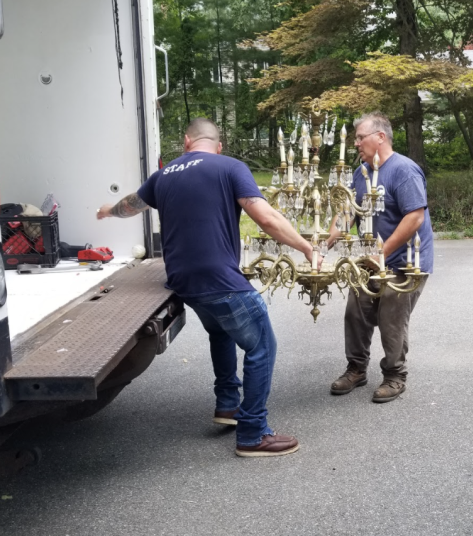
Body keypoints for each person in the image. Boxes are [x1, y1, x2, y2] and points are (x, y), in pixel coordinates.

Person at [97, 118, 315, 457]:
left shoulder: (163, 175)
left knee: (222, 333)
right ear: (219, 145)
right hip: (220, 281)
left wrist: (107, 211)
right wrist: (305, 246)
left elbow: (131, 204)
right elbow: (266, 217)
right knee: (262, 347)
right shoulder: (230, 167)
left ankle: (228, 404)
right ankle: (253, 433)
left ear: (186, 141)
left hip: (185, 284)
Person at [327, 112, 433, 403]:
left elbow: (414, 216)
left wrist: (382, 252)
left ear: (380, 137)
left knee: (391, 316)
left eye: (361, 137)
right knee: (356, 312)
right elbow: (347, 212)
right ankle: (356, 369)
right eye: (356, 138)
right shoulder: (361, 172)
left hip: (405, 261)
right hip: (369, 260)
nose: (357, 143)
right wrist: (323, 243)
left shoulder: (403, 170)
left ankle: (395, 375)